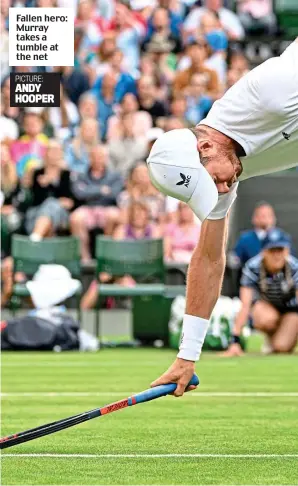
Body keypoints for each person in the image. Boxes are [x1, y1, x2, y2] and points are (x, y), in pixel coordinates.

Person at [147, 39, 298, 396]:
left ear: (205, 146)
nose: (222, 186)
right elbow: (209, 257)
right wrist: (188, 355)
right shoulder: (221, 170)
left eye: (213, 180)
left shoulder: (273, 92)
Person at [224, 228, 298, 356]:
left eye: (280, 250)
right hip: (268, 308)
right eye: (272, 250)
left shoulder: (294, 267)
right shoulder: (253, 267)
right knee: (262, 316)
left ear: (287, 251)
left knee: (281, 347)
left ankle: (283, 336)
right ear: (264, 252)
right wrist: (234, 341)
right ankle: (274, 335)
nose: (276, 255)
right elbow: (245, 305)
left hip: (292, 311)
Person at [70, 145, 123, 262]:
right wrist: (101, 190)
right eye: (95, 156)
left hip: (107, 208)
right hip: (88, 208)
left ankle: (107, 256)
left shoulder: (115, 176)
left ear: (105, 158)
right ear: (90, 158)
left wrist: (90, 190)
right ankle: (84, 258)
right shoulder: (80, 175)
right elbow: (79, 193)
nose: (98, 159)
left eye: (101, 156)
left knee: (114, 216)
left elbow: (114, 194)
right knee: (76, 218)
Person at [25, 140, 75, 241]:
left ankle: (36, 237)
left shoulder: (66, 174)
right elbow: (36, 198)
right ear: (46, 153)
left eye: (57, 151)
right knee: (50, 205)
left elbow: (69, 202)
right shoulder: (37, 172)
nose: (55, 154)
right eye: (52, 150)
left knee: (51, 204)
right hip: (36, 213)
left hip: (60, 215)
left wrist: (51, 182)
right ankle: (38, 236)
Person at [233, 201, 277, 267]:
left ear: (274, 218)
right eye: (261, 215)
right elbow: (235, 261)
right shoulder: (245, 239)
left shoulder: (282, 238)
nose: (264, 218)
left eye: (268, 215)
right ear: (254, 218)